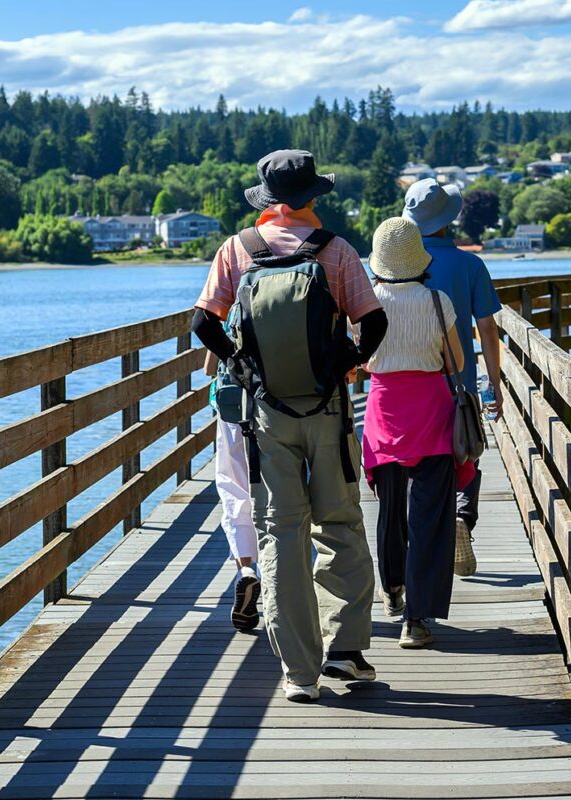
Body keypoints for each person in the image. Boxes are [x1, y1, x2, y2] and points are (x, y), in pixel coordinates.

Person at [191, 149, 389, 703]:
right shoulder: (337, 251)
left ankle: (300, 673)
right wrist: (346, 363)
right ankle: (346, 649)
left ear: (268, 199)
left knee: (282, 532)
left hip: (266, 416)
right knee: (341, 525)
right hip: (326, 411)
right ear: (312, 197)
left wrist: (239, 363)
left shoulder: (239, 249)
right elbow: (376, 320)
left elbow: (201, 321)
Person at [361, 217, 474, 649]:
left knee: (390, 510)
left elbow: (360, 360)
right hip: (431, 411)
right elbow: (456, 362)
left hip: (385, 410)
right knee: (429, 517)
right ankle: (417, 619)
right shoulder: (436, 300)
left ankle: (392, 588)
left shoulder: (366, 300)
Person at [402, 179, 503, 577]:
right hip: (459, 382)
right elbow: (488, 329)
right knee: (466, 450)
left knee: (420, 461)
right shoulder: (470, 264)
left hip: (411, 383)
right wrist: (494, 382)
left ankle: (425, 536)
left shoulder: (398, 264)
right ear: (450, 220)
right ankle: (463, 515)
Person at [203, 350, 261, 633]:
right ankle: (281, 585)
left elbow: (207, 367)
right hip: (277, 401)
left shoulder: (227, 304)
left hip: (232, 401)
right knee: (276, 487)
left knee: (234, 486)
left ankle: (246, 568)